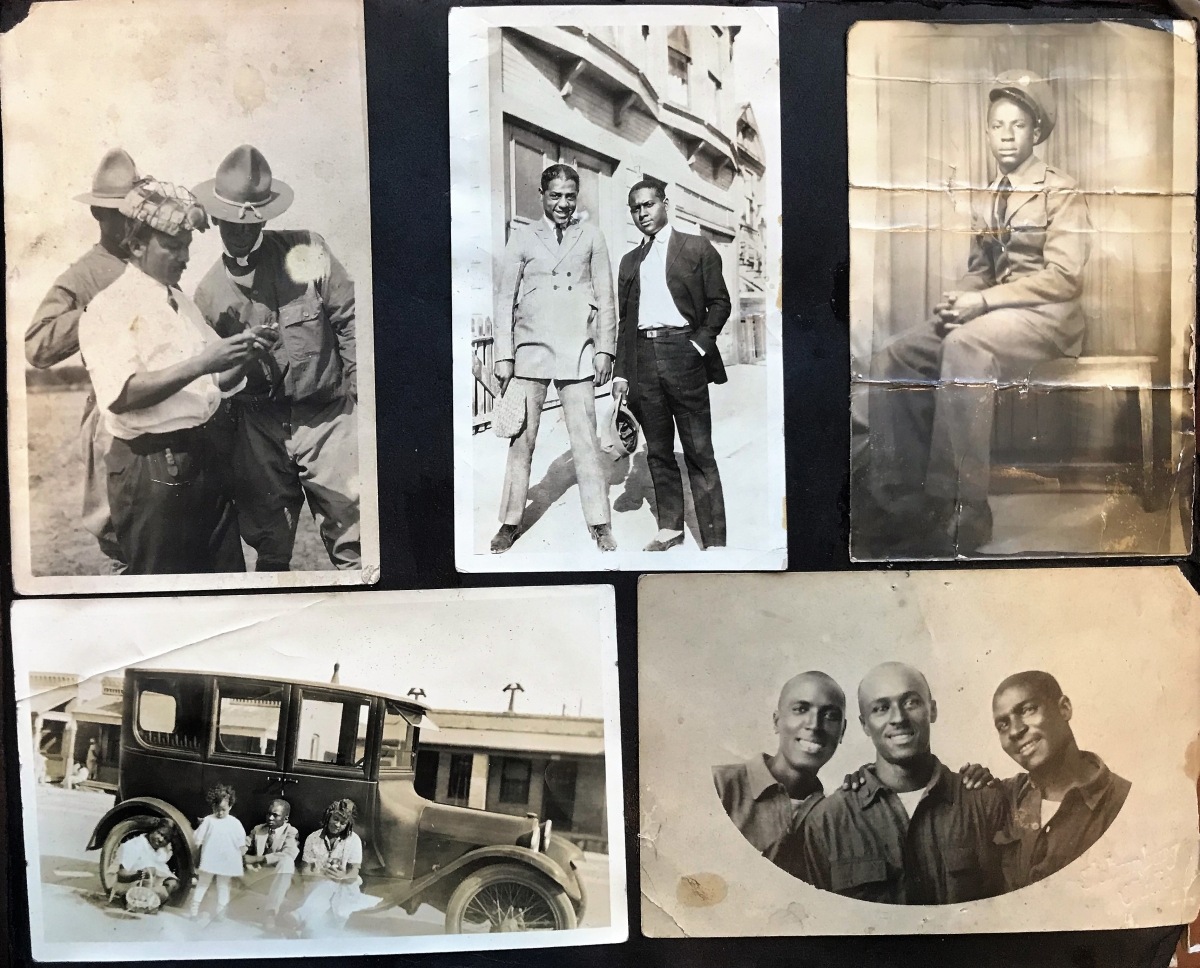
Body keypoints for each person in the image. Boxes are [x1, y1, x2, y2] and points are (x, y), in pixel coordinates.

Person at [864, 71, 1092, 556]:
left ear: (1036, 132)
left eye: (1017, 126)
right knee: (894, 355)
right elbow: (981, 270)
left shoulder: (1062, 189)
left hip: (1048, 318)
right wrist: (959, 299)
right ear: (987, 132)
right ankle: (902, 503)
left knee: (965, 344)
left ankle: (963, 506)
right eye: (996, 126)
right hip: (996, 315)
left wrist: (982, 303)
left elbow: (1065, 278)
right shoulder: (991, 193)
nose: (1006, 136)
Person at [78, 179, 268, 574]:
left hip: (203, 457)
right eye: (173, 246)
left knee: (226, 585)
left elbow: (212, 381)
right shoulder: (109, 308)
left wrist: (245, 354)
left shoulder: (179, 302)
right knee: (164, 593)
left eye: (187, 246)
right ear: (136, 247)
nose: (184, 257)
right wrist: (203, 363)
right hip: (150, 467)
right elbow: (122, 394)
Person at [192, 145, 360, 571]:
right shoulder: (208, 296)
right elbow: (214, 381)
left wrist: (359, 401)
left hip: (328, 421)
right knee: (270, 548)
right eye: (231, 223)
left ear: (266, 217)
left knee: (354, 542)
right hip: (259, 430)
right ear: (215, 219)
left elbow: (350, 320)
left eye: (251, 223)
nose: (241, 232)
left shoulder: (306, 250)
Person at [786, 662, 1008, 904]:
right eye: (881, 708)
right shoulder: (827, 821)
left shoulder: (985, 802)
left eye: (911, 702)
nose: (898, 718)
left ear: (932, 710)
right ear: (864, 725)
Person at [488, 163, 618, 554]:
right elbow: (504, 300)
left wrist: (605, 349)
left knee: (586, 441)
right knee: (520, 441)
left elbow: (606, 299)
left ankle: (599, 523)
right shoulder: (523, 238)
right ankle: (510, 523)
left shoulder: (592, 236)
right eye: (556, 196)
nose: (563, 204)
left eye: (570, 196)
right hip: (531, 352)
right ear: (542, 196)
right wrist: (503, 356)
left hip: (578, 351)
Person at [25, 148, 142, 570]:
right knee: (124, 549)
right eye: (118, 212)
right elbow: (37, 345)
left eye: (135, 210)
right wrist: (94, 313)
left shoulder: (151, 261)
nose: (130, 220)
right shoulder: (85, 275)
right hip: (113, 426)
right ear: (98, 214)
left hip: (161, 421)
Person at [612, 179, 731, 552]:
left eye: (649, 205)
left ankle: (713, 540)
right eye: (636, 208)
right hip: (644, 361)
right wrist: (620, 372)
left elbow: (720, 303)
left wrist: (697, 343)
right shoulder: (630, 261)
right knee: (659, 451)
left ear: (665, 204)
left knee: (698, 449)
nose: (643, 213)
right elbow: (625, 323)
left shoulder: (696, 247)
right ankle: (670, 528)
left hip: (684, 354)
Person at [991, 671, 1131, 890]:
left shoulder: (1123, 801)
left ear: (1064, 708)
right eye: (1003, 725)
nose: (1016, 731)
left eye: (1027, 710)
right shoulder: (1004, 799)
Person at [713, 672, 848, 863]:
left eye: (830, 715)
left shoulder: (834, 815)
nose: (815, 725)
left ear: (842, 731)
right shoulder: (720, 785)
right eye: (801, 709)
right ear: (777, 721)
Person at [290, 798, 378, 936]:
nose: (337, 825)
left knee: (333, 884)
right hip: (317, 886)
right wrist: (322, 875)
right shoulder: (313, 838)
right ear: (328, 816)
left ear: (348, 824)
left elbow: (354, 873)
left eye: (343, 823)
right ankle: (307, 925)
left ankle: (301, 915)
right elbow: (305, 871)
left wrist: (342, 876)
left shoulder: (354, 840)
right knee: (316, 926)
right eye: (335, 819)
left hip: (345, 887)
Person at [189, 783, 247, 921]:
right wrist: (196, 848)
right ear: (212, 806)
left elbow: (240, 839)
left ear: (230, 807)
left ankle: (220, 913)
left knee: (223, 885)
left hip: (227, 858)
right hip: (210, 857)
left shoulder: (235, 823)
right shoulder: (209, 820)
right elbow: (197, 838)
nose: (220, 813)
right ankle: (193, 911)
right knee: (203, 883)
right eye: (217, 809)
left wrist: (241, 849)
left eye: (223, 809)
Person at [243, 799, 300, 929]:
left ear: (285, 818)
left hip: (278, 876)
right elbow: (244, 845)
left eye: (275, 815)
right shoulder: (259, 829)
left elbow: (289, 854)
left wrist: (258, 859)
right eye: (269, 814)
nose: (270, 818)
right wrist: (241, 853)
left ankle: (271, 913)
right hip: (257, 873)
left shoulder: (292, 832)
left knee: (287, 861)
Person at [115, 819, 179, 904]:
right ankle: (139, 902)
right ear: (152, 830)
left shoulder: (161, 851)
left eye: (166, 839)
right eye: (160, 833)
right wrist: (137, 875)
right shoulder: (134, 845)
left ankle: (149, 903)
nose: (161, 839)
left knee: (172, 883)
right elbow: (120, 875)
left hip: (151, 887)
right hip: (131, 884)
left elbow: (164, 873)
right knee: (152, 875)